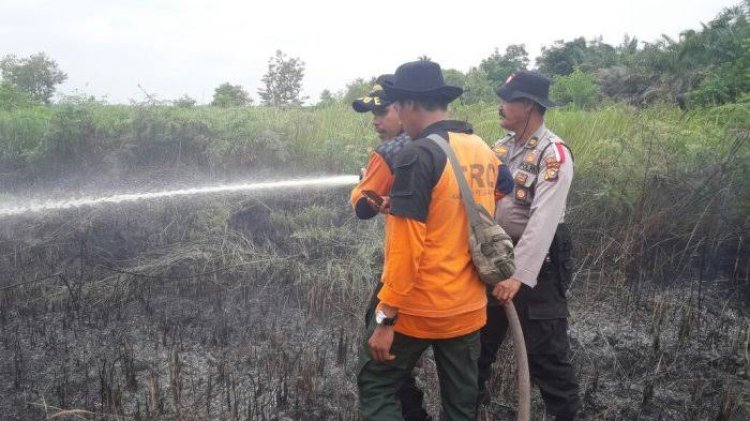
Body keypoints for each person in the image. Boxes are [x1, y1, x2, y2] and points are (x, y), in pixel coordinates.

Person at [357, 59, 509, 421]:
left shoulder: (417, 154)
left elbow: (407, 248)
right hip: (469, 310)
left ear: (409, 105)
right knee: (460, 407)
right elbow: (495, 194)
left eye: (397, 106)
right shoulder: (480, 148)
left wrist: (386, 318)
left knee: (378, 385)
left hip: (418, 308)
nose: (397, 117)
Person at [478, 70, 581, 421]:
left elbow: (543, 221)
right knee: (477, 348)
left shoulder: (553, 154)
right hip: (497, 259)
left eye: (507, 100)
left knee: (548, 357)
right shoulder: (501, 147)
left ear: (528, 105)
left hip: (539, 266)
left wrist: (518, 276)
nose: (500, 107)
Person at [349, 75, 432, 421]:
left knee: (379, 360)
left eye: (382, 112)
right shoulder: (452, 144)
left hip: (405, 279)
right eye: (373, 114)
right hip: (460, 284)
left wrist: (364, 191)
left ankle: (408, 412)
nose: (376, 121)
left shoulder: (389, 153)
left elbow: (360, 207)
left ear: (403, 107)